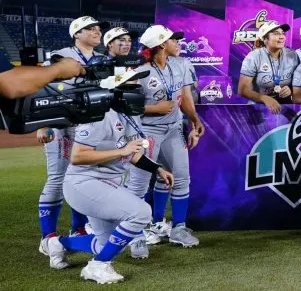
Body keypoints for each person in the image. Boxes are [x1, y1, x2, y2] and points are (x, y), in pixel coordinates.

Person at [42, 70, 175, 284]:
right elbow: (77, 157)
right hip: (84, 184)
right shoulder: (98, 117)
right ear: (114, 92)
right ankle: (97, 266)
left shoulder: (128, 115)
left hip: (105, 184)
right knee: (140, 213)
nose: (137, 90)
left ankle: (58, 244)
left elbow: (132, 152)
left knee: (106, 244)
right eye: (130, 87)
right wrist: (120, 152)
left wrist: (157, 169)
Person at [125, 25, 204, 257]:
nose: (177, 43)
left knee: (182, 177)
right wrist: (153, 108)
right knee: (138, 185)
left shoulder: (178, 66)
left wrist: (194, 120)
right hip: (147, 131)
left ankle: (178, 228)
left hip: (173, 129)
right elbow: (127, 108)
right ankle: (136, 235)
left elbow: (185, 97)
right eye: (172, 40)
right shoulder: (138, 73)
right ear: (161, 45)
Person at [37, 16, 107, 255]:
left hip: (89, 124)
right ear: (76, 34)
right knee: (57, 177)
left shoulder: (102, 58)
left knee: (82, 177)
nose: (97, 31)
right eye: (90, 28)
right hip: (61, 123)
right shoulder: (61, 55)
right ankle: (48, 236)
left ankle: (78, 228)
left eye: (98, 28)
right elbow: (42, 86)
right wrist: (43, 124)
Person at [238, 21, 300, 114]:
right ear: (265, 39)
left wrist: (291, 89)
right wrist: (264, 98)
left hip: (285, 107)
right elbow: (242, 90)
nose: (282, 37)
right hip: (259, 108)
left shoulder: (293, 55)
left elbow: (300, 83)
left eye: (282, 33)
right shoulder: (253, 57)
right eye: (276, 34)